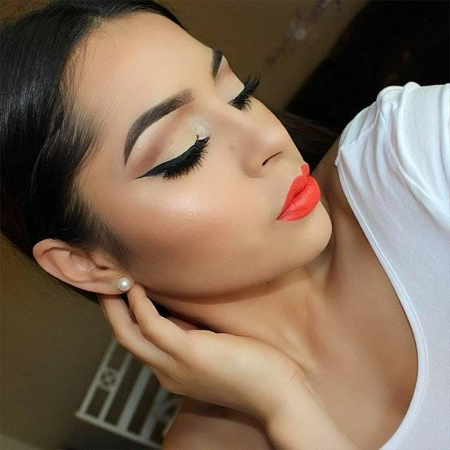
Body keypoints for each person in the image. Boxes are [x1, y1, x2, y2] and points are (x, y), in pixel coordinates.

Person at [1, 1, 448, 449]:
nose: (269, 139)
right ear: (84, 263)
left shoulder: (411, 155)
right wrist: (283, 403)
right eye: (185, 151)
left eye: (240, 94)